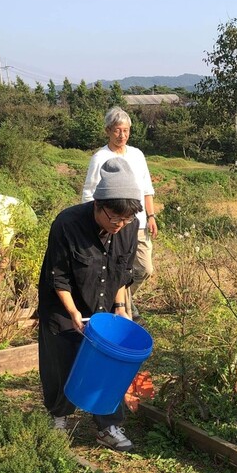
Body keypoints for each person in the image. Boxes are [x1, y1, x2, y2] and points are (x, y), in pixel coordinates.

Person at [39, 157, 142, 450]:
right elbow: (58, 276)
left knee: (108, 364)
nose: (120, 226)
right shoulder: (67, 224)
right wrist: (73, 313)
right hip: (63, 305)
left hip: (105, 304)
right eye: (114, 219)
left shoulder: (128, 227)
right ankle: (58, 418)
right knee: (62, 359)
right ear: (97, 204)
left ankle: (107, 426)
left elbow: (123, 272)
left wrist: (121, 310)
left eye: (126, 220)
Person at [82, 107, 156, 321]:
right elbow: (90, 192)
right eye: (117, 130)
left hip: (137, 222)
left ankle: (118, 301)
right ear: (108, 131)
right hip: (111, 222)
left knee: (143, 268)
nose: (122, 135)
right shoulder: (100, 157)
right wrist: (97, 222)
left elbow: (146, 188)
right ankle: (126, 310)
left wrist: (150, 216)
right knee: (117, 267)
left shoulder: (137, 155)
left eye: (126, 130)